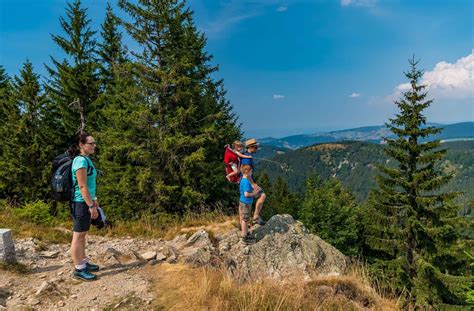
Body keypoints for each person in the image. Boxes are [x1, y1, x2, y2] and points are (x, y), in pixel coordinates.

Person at [69, 133, 100, 281]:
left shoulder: (86, 160)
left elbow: (90, 184)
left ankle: (83, 262)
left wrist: (94, 199)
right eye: (91, 143)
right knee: (78, 236)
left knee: (82, 235)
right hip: (81, 202)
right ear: (82, 145)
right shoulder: (80, 161)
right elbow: (82, 186)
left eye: (94, 143)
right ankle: (79, 269)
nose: (94, 146)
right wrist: (91, 205)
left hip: (85, 201)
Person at [240, 138, 266, 225]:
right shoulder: (247, 159)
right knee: (262, 195)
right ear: (250, 147)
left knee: (242, 202)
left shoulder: (245, 155)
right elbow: (247, 174)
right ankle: (255, 217)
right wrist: (253, 184)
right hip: (247, 182)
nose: (256, 149)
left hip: (244, 181)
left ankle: (242, 223)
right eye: (255, 147)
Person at [239, 164, 258, 244]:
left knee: (245, 219)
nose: (252, 173)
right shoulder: (246, 182)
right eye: (251, 171)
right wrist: (254, 193)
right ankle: (244, 237)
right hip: (246, 203)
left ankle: (245, 233)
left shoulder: (243, 180)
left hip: (243, 202)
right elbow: (246, 194)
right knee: (245, 219)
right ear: (247, 172)